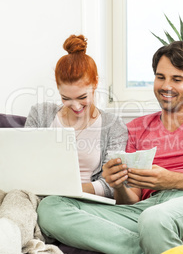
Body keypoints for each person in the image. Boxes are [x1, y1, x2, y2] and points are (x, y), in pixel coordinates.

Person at [37, 41, 183, 254]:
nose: (166, 86)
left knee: (156, 219)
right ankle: (166, 252)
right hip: (147, 209)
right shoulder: (136, 128)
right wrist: (117, 184)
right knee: (50, 208)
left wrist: (171, 180)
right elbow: (130, 200)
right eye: (161, 77)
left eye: (177, 79)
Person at [25, 34, 128, 199]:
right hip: (37, 196)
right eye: (66, 98)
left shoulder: (114, 126)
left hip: (82, 201)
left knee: (52, 207)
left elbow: (111, 185)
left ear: (95, 83)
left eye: (82, 97)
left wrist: (67, 189)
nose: (76, 106)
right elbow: (25, 162)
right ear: (58, 89)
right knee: (15, 197)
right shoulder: (40, 114)